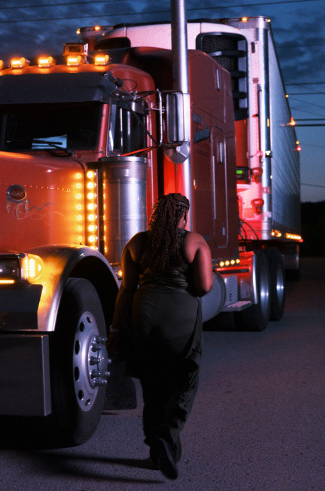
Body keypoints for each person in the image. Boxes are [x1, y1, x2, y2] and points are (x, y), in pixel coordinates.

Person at [108, 193, 213, 480]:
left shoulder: (137, 243)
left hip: (143, 315)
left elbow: (126, 289)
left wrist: (115, 330)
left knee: (153, 385)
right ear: (183, 216)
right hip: (180, 316)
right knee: (185, 378)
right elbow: (204, 286)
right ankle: (166, 436)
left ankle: (160, 453)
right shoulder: (193, 241)